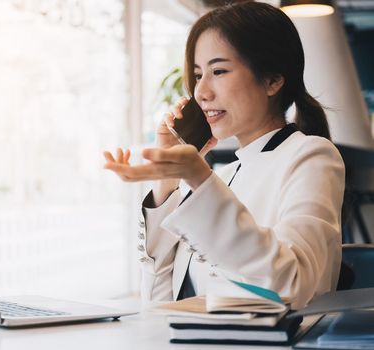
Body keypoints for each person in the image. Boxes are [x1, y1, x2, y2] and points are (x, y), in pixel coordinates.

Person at [103, 1, 345, 310]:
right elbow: (160, 301)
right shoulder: (225, 175)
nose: (201, 91)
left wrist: (198, 177)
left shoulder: (311, 156)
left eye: (218, 71)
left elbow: (292, 285)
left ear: (272, 80)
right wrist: (168, 181)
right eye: (198, 74)